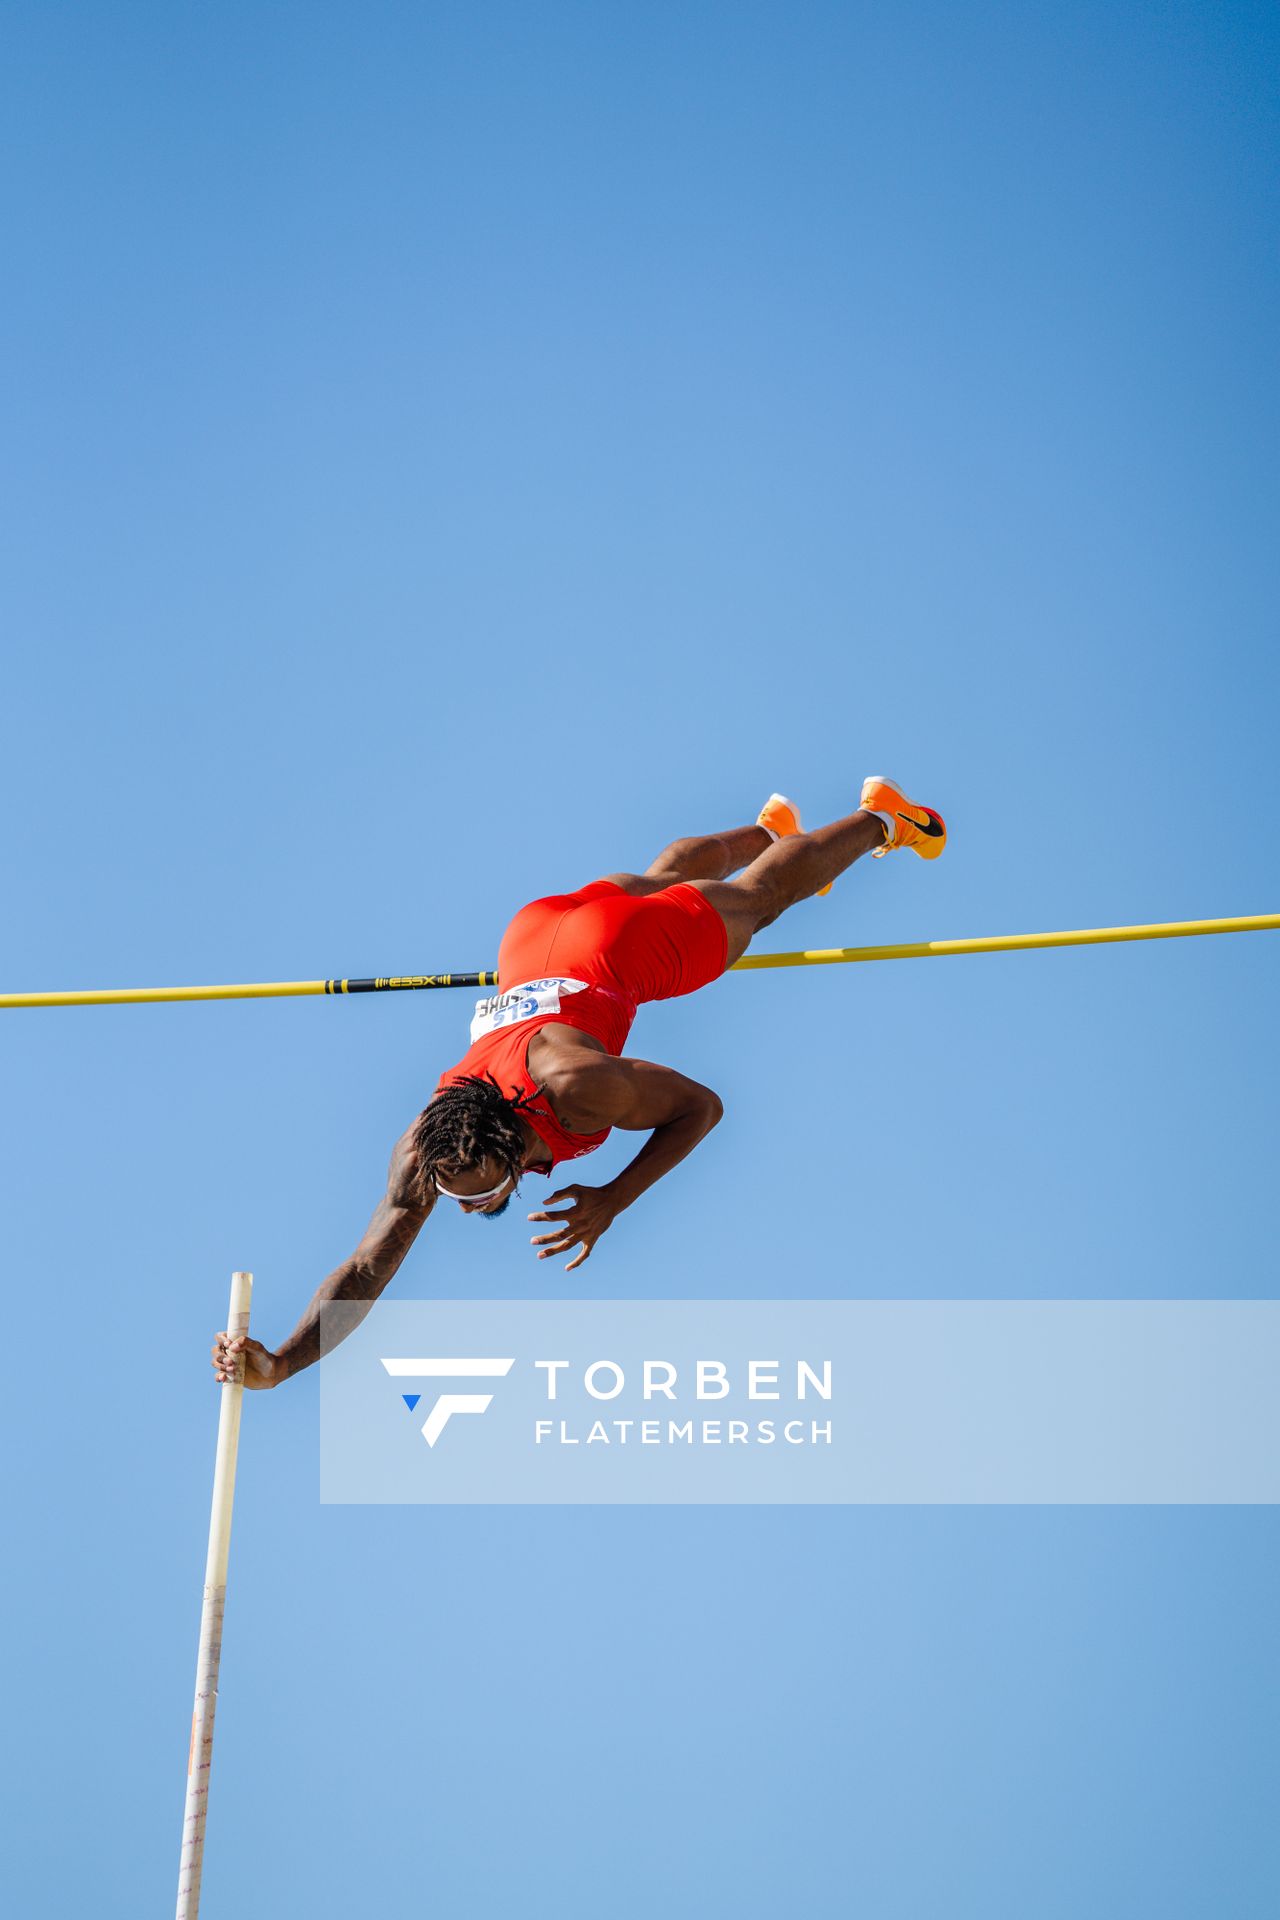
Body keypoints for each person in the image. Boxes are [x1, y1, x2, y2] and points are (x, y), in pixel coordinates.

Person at [210, 776, 945, 1388]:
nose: (465, 1207)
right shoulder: (429, 1148)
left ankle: (884, 817)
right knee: (658, 882)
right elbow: (368, 1268)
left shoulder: (573, 1087)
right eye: (461, 1192)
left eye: (476, 1191)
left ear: (510, 1138)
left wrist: (612, 1201)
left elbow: (699, 1108)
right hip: (535, 936)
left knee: (756, 901)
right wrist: (281, 1362)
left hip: (619, 954)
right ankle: (769, 825)